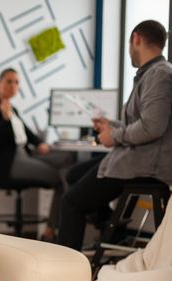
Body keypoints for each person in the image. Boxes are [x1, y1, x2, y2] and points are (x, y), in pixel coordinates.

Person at [57, 20, 172, 251]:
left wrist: (115, 136)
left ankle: (67, 271)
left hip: (143, 165)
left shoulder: (158, 75)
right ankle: (112, 229)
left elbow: (152, 127)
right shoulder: (150, 74)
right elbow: (141, 123)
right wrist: (111, 126)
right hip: (136, 158)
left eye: (130, 44)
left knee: (70, 202)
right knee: (72, 174)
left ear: (136, 39)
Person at [0, 68, 73, 241]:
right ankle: (52, 231)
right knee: (61, 177)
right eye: (9, 81)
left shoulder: (13, 110)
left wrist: (40, 144)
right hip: (9, 163)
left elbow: (28, 135)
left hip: (24, 155)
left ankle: (62, 224)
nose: (13, 86)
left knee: (67, 159)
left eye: (17, 82)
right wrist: (5, 119)